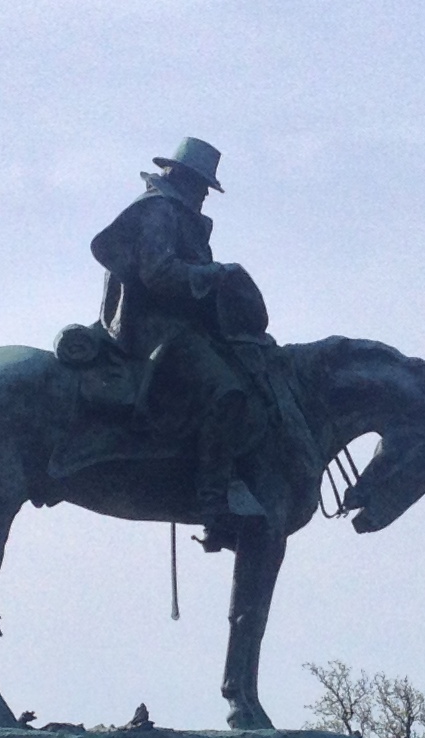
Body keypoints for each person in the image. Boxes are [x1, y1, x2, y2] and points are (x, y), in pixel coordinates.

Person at [84, 138, 285, 537]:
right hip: (152, 327)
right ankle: (213, 501)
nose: (204, 196)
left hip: (178, 323)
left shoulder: (179, 213)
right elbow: (158, 273)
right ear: (182, 178)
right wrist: (216, 274)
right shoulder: (158, 210)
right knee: (227, 391)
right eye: (202, 186)